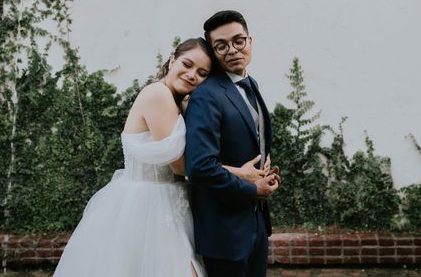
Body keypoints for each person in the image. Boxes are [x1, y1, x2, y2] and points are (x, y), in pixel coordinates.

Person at [53, 37, 264, 277]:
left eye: (202, 73)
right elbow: (181, 166)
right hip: (149, 206)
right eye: (187, 64)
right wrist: (241, 173)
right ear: (172, 60)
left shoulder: (179, 102)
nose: (192, 74)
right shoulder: (158, 94)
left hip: (173, 201)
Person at [185, 11, 280, 277]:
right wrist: (252, 190)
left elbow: (253, 138)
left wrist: (265, 165)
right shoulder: (206, 96)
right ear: (214, 52)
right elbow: (200, 167)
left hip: (256, 221)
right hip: (224, 230)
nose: (232, 50)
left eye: (238, 41)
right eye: (221, 45)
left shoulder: (252, 84)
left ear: (250, 41)